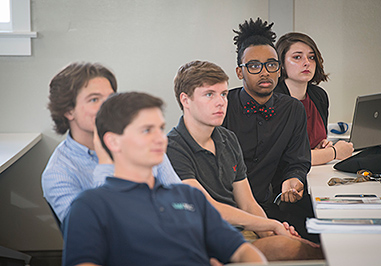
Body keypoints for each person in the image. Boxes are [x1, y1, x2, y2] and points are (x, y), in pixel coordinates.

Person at [62, 91, 267, 266]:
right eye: (146, 130)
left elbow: (240, 250)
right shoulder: (90, 205)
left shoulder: (190, 197)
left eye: (160, 128)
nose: (160, 138)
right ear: (113, 142)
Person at [167, 60, 323, 261]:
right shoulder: (172, 147)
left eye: (223, 94)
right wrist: (271, 225)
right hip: (204, 240)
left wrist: (273, 233)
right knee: (294, 250)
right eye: (209, 95)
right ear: (185, 100)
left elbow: (248, 204)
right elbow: (207, 207)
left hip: (240, 235)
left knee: (309, 247)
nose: (220, 102)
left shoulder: (227, 139)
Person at [41, 62, 180, 226]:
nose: (108, 107)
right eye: (94, 99)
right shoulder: (58, 173)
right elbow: (89, 230)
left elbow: (181, 203)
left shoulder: (145, 145)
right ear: (68, 111)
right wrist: (106, 162)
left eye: (111, 98)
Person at [222, 18, 316, 241]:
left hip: (270, 205)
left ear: (279, 69)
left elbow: (297, 161)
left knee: (322, 239)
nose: (264, 72)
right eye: (254, 65)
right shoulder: (223, 106)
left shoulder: (292, 109)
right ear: (239, 72)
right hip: (228, 210)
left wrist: (294, 179)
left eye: (271, 64)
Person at [275, 32, 354, 165]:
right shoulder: (274, 101)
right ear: (281, 63)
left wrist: (322, 147)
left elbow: (312, 145)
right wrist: (334, 152)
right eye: (297, 57)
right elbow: (289, 158)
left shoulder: (319, 96)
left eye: (311, 57)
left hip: (316, 174)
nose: (306, 63)